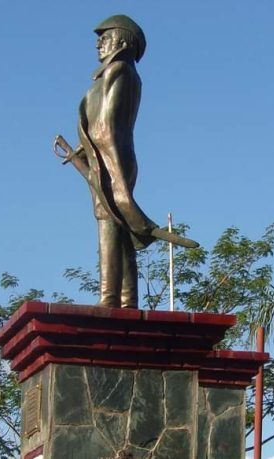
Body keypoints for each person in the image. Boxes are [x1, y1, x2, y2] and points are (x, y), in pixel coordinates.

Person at [66, 15, 195, 308]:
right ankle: (126, 300)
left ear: (123, 42)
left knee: (111, 221)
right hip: (105, 156)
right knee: (118, 223)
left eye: (106, 37)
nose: (99, 43)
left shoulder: (120, 71)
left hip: (112, 157)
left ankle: (110, 297)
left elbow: (107, 126)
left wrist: (101, 162)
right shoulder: (110, 74)